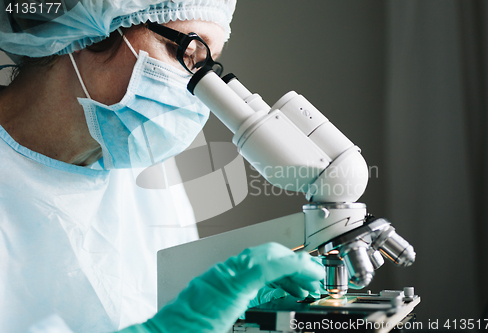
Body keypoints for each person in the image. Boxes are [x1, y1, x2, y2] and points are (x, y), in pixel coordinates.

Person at [0, 1, 325, 332]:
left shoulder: (146, 173)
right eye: (184, 50)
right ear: (91, 34)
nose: (198, 89)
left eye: (207, 64)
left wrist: (231, 309)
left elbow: (170, 302)